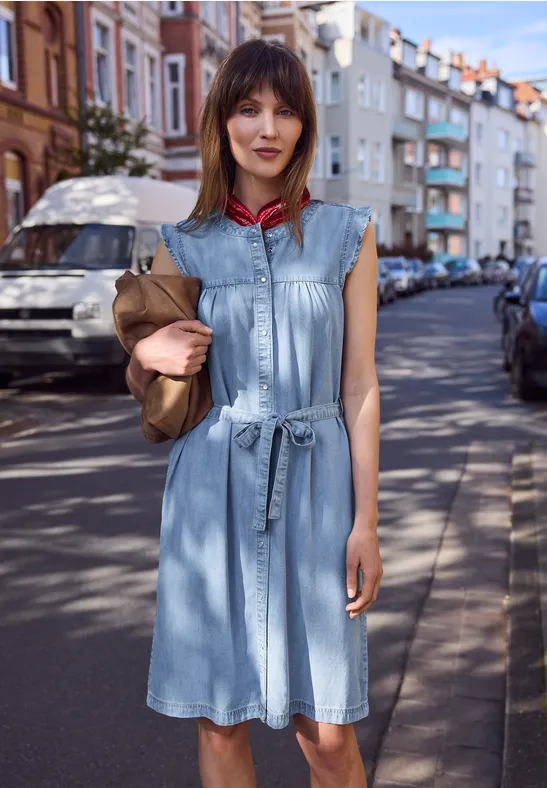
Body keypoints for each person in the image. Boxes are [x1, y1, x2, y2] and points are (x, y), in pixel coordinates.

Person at [126, 38, 382, 788]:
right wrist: (147, 356)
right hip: (211, 492)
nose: (266, 128)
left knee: (326, 731)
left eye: (283, 111)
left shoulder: (347, 235)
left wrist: (365, 521)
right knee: (219, 720)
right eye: (247, 109)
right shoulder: (183, 244)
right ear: (222, 122)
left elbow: (359, 386)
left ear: (303, 127)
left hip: (317, 491)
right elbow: (150, 379)